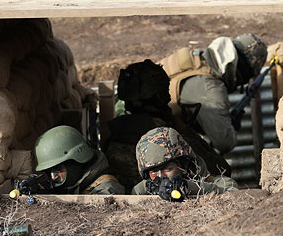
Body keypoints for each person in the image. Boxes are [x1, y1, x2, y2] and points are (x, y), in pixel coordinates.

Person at [103, 59, 231, 193]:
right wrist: (185, 130)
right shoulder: (167, 134)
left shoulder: (116, 130)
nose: (169, 96)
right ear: (158, 95)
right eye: (165, 90)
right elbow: (221, 169)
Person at [160, 33, 268, 154]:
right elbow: (224, 143)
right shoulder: (211, 88)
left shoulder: (194, 60)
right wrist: (233, 128)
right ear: (242, 68)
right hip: (152, 145)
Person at [131, 126, 239, 199]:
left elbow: (233, 192)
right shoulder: (144, 188)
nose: (161, 176)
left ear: (185, 165)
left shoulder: (214, 182)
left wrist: (188, 187)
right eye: (154, 171)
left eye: (168, 169)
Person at [29, 125, 125, 195]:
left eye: (58, 169)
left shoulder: (107, 190)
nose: (53, 177)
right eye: (48, 171)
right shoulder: (77, 184)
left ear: (77, 160)